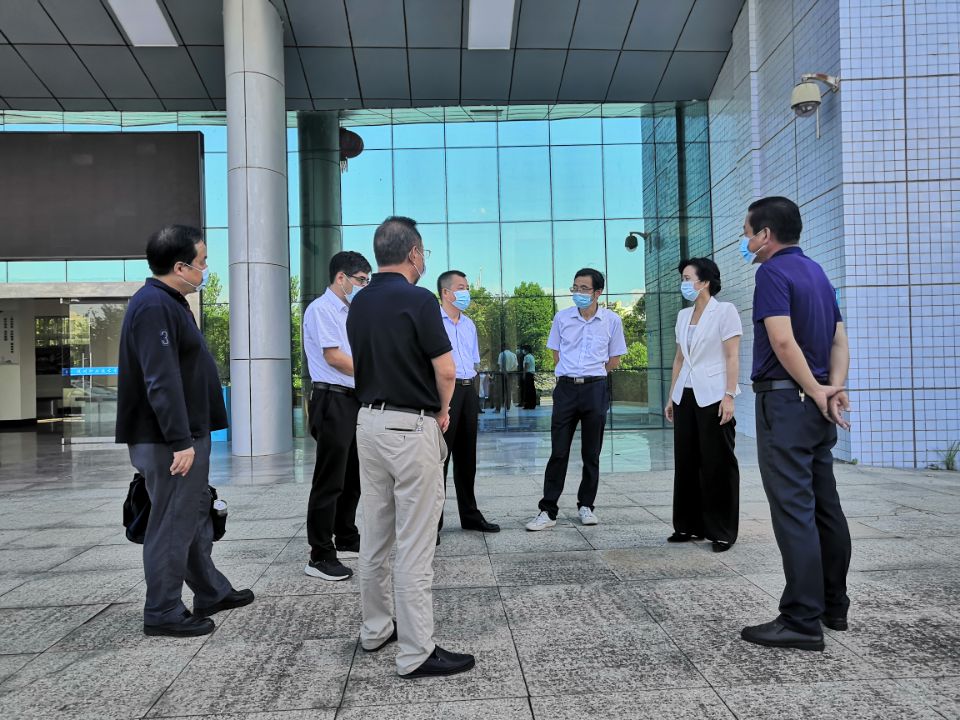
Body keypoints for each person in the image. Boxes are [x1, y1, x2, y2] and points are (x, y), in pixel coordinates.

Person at [346, 216, 475, 679]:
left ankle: (376, 628)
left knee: (376, 534)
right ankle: (417, 651)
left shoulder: (359, 301)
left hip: (368, 422)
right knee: (416, 543)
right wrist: (442, 411)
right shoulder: (419, 300)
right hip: (409, 424)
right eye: (423, 254)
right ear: (414, 253)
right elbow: (447, 370)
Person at [116, 225, 253, 637]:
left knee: (191, 516)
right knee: (172, 522)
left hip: (183, 435)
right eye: (202, 261)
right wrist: (180, 440)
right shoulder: (153, 306)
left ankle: (211, 590)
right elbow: (160, 379)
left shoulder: (168, 303)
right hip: (170, 441)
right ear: (180, 267)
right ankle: (162, 610)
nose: (205, 269)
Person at [737, 197, 852, 652]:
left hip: (787, 403)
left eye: (748, 233)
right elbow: (839, 340)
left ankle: (802, 619)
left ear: (765, 235)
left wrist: (813, 388)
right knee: (825, 506)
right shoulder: (818, 273)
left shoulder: (772, 273)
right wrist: (832, 388)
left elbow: (782, 341)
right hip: (816, 404)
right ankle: (833, 606)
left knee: (794, 511)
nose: (746, 241)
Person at [526, 268, 627, 531]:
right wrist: (572, 374)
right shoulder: (562, 318)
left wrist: (592, 375)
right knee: (558, 451)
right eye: (575, 288)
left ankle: (586, 506)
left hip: (595, 389)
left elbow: (614, 359)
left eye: (584, 288)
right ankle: (547, 510)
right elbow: (556, 354)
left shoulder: (612, 321)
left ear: (597, 292)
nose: (578, 293)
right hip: (566, 390)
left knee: (591, 453)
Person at [301, 251, 371, 581]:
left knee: (353, 474)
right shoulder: (322, 309)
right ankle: (320, 554)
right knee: (329, 480)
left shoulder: (352, 312)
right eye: (361, 280)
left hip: (354, 399)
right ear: (341, 277)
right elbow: (334, 357)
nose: (364, 286)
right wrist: (376, 371)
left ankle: (345, 535)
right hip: (332, 399)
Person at [664, 258, 742, 552]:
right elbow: (679, 359)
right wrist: (671, 396)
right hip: (685, 394)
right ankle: (688, 525)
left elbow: (732, 356)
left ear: (705, 281)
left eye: (687, 278)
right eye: (682, 278)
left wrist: (729, 395)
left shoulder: (725, 311)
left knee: (718, 462)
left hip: (713, 395)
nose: (683, 283)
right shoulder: (683, 315)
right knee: (686, 461)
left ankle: (722, 531)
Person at [437, 270, 500, 539]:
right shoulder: (432, 322)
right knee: (439, 458)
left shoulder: (469, 324)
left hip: (467, 389)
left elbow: (472, 361)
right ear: (446, 292)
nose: (466, 292)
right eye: (461, 287)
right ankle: (433, 522)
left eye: (467, 287)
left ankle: (470, 515)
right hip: (444, 393)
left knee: (467, 457)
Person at [495, 344, 518, 411]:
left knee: (500, 390)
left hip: (502, 374)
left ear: (504, 347)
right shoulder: (513, 355)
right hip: (510, 374)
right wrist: (510, 371)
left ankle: (498, 408)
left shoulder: (501, 354)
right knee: (509, 390)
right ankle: (508, 406)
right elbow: (516, 366)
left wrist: (504, 371)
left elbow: (500, 365)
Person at [521, 344, 537, 409]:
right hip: (532, 374)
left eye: (524, 349)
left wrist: (524, 374)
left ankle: (527, 404)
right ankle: (532, 404)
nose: (523, 351)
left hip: (528, 374)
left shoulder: (527, 357)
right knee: (532, 389)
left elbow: (526, 366)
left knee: (527, 390)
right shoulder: (532, 356)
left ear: (526, 350)